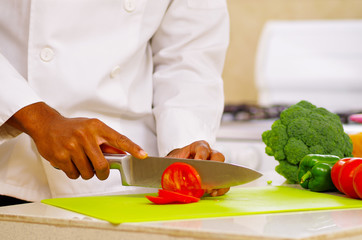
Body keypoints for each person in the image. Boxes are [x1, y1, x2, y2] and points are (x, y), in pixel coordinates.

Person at [0, 0, 230, 205]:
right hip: (12, 167)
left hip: (121, 183)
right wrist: (38, 119)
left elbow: (189, 57)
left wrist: (186, 147)